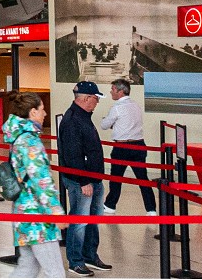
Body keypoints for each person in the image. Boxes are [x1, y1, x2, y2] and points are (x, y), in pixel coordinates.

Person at [4, 92, 67, 277]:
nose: (45, 113)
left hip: (23, 213)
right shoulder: (29, 141)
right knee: (55, 273)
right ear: (32, 112)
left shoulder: (17, 137)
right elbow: (41, 180)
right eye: (42, 109)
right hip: (38, 217)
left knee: (27, 268)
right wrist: (56, 211)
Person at [58, 81, 111, 276]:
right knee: (79, 221)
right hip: (82, 180)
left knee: (93, 219)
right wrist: (83, 181)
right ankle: (76, 261)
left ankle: (90, 255)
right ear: (86, 98)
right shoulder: (73, 120)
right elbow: (73, 155)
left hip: (93, 178)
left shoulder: (83, 117)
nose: (97, 103)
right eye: (96, 99)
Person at [99, 78, 157, 216]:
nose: (111, 91)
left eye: (113, 89)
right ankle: (151, 209)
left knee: (116, 178)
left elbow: (104, 125)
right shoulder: (136, 105)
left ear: (120, 91)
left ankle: (110, 205)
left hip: (122, 147)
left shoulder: (116, 108)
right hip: (139, 145)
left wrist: (109, 122)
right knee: (143, 179)